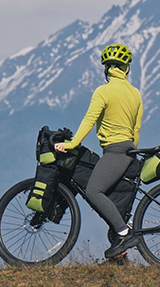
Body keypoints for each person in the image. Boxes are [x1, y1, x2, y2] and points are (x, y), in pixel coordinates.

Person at [54, 43, 143, 259]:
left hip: (114, 152)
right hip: (129, 151)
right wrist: (133, 155)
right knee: (111, 197)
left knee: (94, 191)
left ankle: (124, 233)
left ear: (106, 69)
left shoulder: (103, 91)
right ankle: (119, 255)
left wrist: (72, 144)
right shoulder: (135, 94)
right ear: (126, 69)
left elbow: (89, 119)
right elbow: (136, 128)